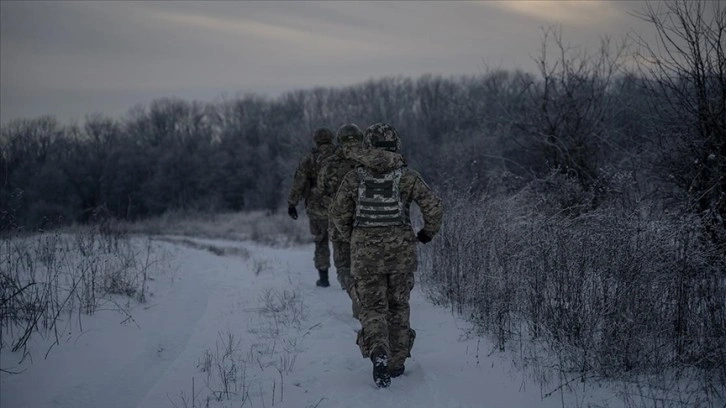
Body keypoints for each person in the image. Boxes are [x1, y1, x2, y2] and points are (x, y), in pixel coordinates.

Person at [330, 123, 443, 388]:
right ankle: (396, 362)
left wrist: (354, 238)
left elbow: (337, 214)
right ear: (396, 145)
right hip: (401, 254)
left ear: (367, 145)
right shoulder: (408, 176)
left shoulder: (354, 177)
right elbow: (434, 208)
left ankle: (378, 350)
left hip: (365, 254)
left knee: (372, 307)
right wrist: (426, 233)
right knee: (398, 306)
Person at [317, 123, 365, 318]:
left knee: (344, 266)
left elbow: (321, 190)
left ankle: (355, 294)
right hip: (367, 223)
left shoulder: (330, 164)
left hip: (338, 224)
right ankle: (368, 299)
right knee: (365, 265)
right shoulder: (369, 161)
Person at [287, 127, 336, 287]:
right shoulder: (341, 157)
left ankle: (323, 278)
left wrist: (292, 204)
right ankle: (347, 278)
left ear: (316, 140)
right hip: (340, 205)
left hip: (316, 206)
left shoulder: (309, 159)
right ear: (331, 138)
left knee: (321, 241)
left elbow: (299, 182)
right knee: (343, 242)